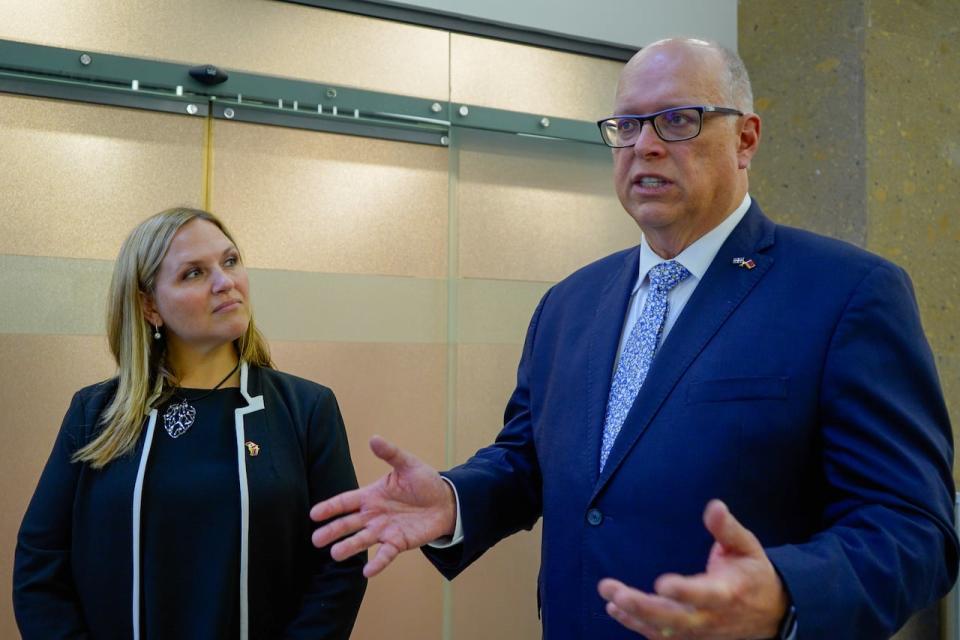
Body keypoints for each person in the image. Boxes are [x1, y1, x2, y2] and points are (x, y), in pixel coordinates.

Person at [310, 38, 958, 639]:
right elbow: (526, 461)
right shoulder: (569, 305)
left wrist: (788, 592)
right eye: (627, 125)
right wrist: (456, 498)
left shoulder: (847, 293)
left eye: (677, 120)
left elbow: (915, 529)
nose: (644, 145)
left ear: (746, 139)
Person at [14, 208, 366, 639]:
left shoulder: (307, 409)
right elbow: (40, 562)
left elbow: (342, 562)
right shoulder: (94, 413)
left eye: (230, 261)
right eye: (194, 273)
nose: (225, 282)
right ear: (149, 305)